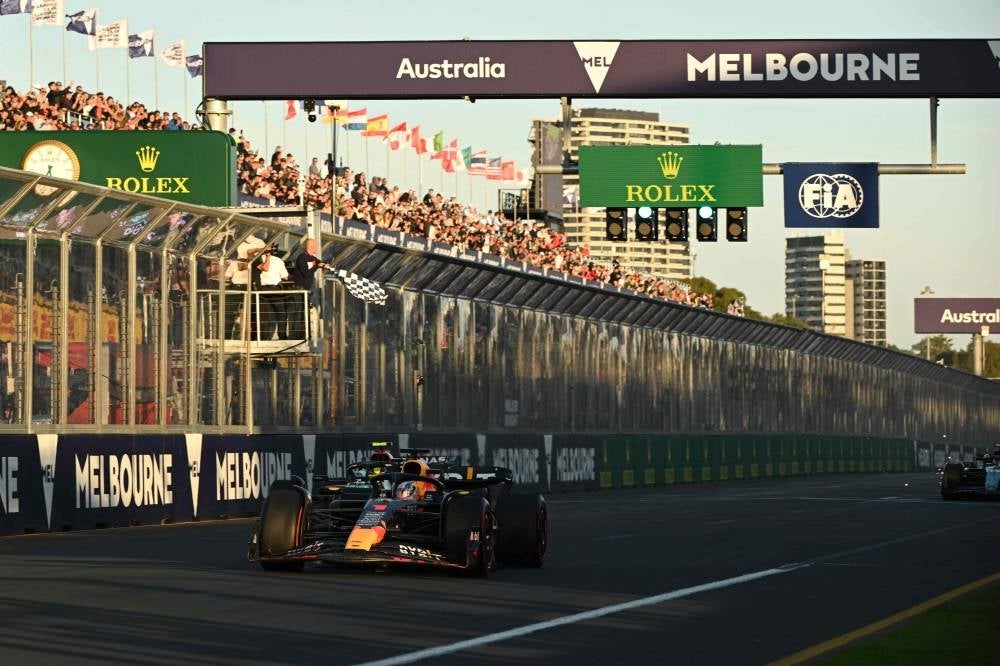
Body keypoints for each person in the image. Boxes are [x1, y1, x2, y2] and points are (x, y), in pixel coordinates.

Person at [286, 238, 329, 340]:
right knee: (298, 311)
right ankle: (294, 335)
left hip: (306, 290)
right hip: (299, 290)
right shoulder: (302, 258)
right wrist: (316, 266)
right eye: (316, 246)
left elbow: (319, 263)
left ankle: (303, 333)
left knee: (303, 312)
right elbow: (306, 272)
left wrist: (323, 265)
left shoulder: (312, 258)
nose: (317, 248)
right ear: (311, 247)